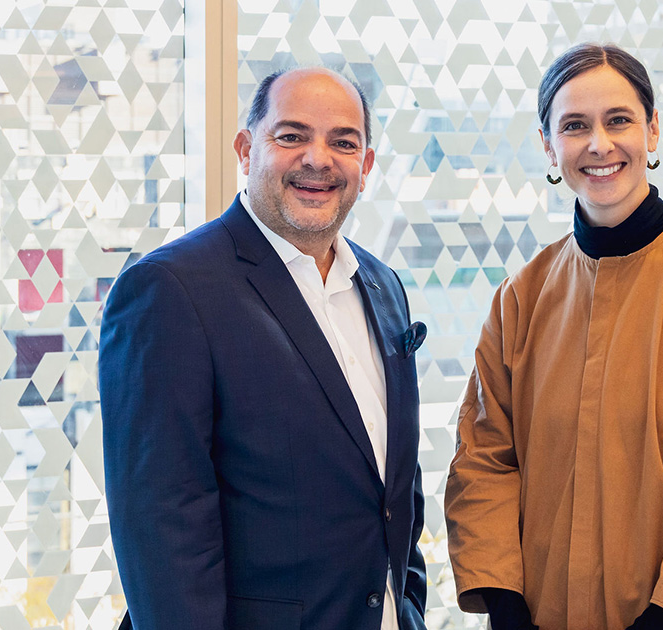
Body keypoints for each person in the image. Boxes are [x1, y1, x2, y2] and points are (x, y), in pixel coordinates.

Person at [443, 43, 663, 630]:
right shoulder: (520, 300)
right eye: (575, 126)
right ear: (548, 145)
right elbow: (483, 462)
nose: (599, 145)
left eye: (619, 121)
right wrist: (505, 604)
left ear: (652, 131)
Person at [100, 67, 428, 630]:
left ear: (366, 166)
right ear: (246, 149)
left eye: (343, 142)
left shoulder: (383, 287)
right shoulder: (170, 291)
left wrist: (410, 603)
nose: (318, 159)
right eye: (292, 135)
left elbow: (393, 488)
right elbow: (162, 533)